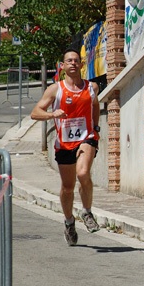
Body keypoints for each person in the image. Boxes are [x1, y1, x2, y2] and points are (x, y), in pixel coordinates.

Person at [31, 48, 101, 246]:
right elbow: (35, 113)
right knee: (68, 187)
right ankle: (69, 222)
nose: (72, 63)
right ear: (62, 66)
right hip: (64, 144)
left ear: (81, 65)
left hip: (86, 138)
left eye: (76, 60)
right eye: (68, 60)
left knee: (83, 173)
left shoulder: (92, 87)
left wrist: (95, 128)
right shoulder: (56, 89)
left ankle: (87, 213)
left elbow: (95, 105)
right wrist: (52, 115)